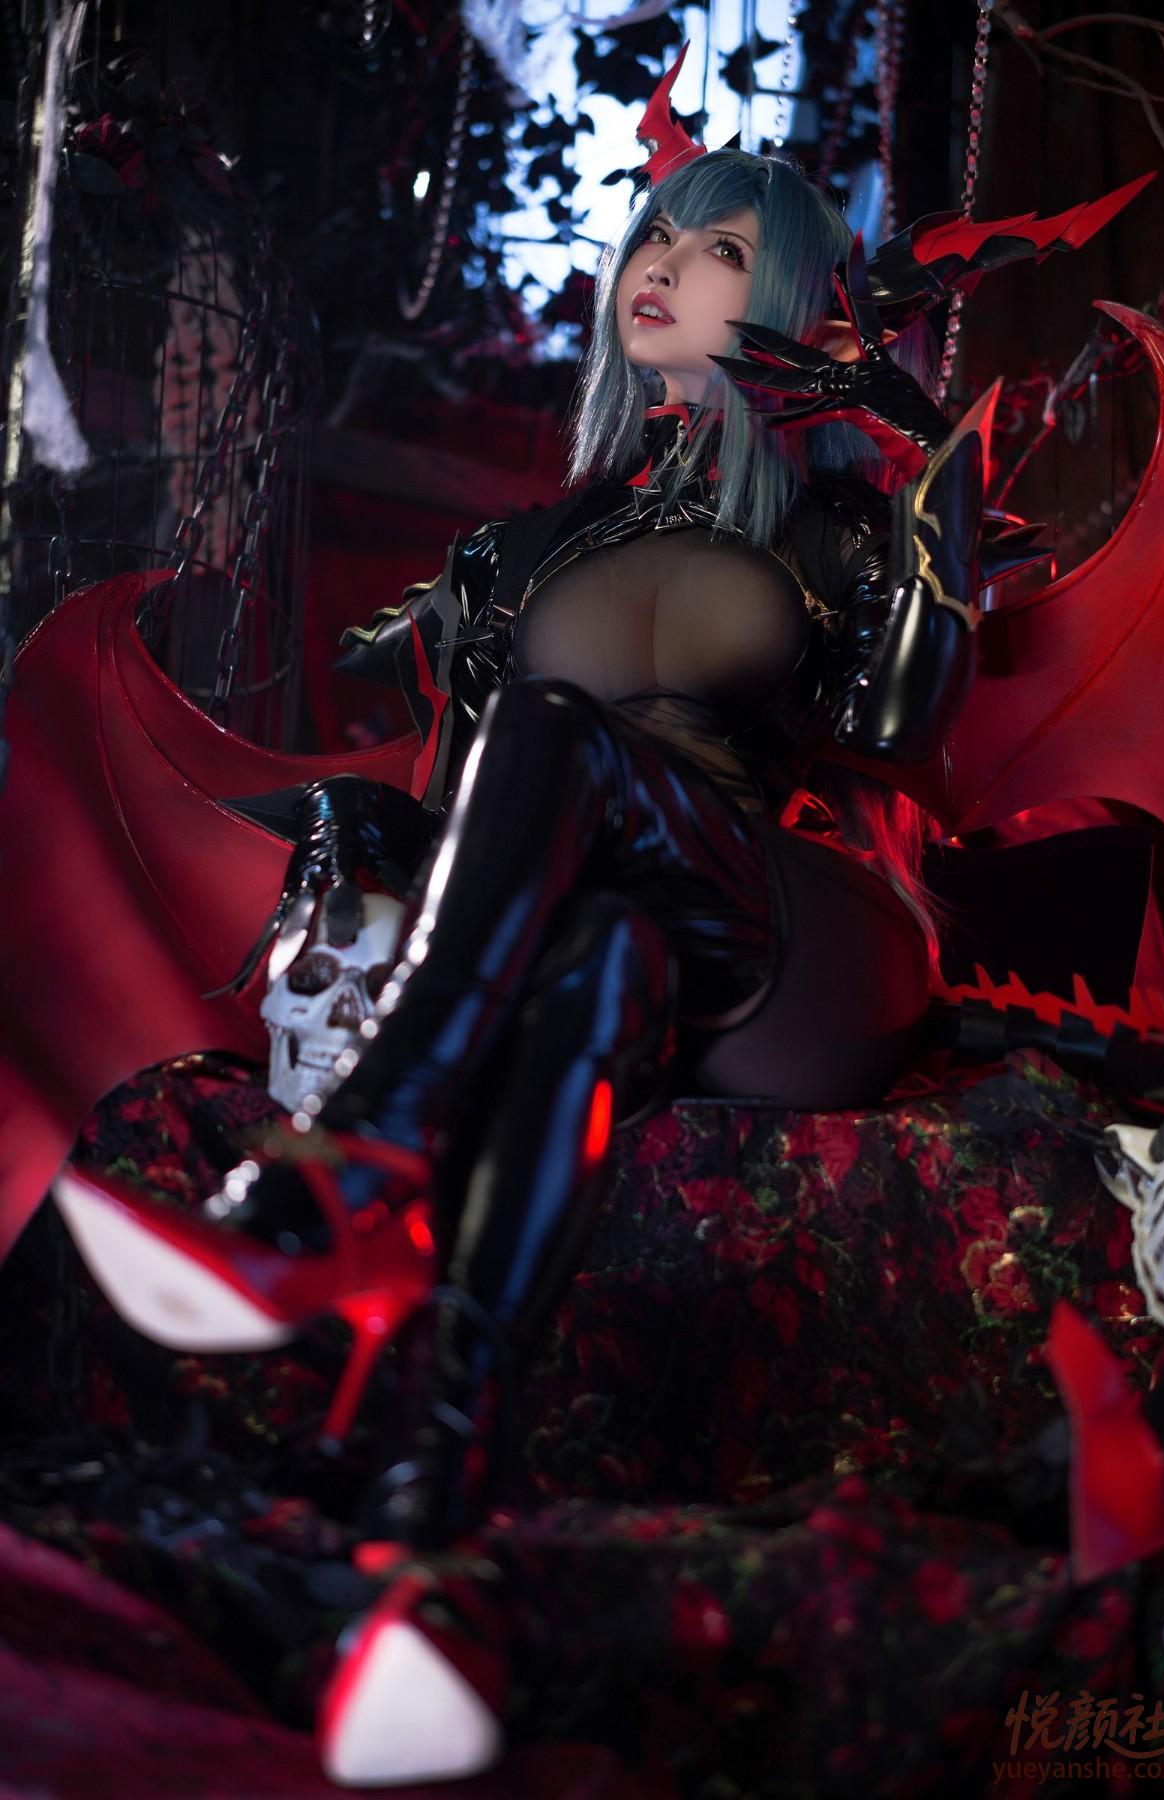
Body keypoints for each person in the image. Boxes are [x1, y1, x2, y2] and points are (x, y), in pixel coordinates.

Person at [55, 134, 993, 1785]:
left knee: (573, 765)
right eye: (654, 238)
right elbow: (481, 816)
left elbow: (903, 723)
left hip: (793, 946)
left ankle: (351, 1177)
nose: (664, 264)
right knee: (597, 959)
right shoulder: (520, 555)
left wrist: (931, 456)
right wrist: (368, 831)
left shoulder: (842, 525)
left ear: (790, 296)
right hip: (629, 950)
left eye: (718, 249)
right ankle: (432, 1549)